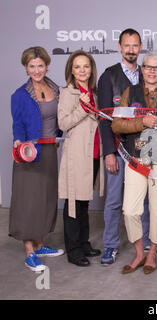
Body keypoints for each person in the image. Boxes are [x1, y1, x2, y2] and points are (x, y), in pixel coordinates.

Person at [97, 29, 157, 266]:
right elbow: (104, 116)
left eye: (135, 45)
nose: (131, 50)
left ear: (140, 47)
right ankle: (110, 245)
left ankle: (149, 242)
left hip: (143, 148)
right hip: (118, 149)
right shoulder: (108, 76)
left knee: (146, 199)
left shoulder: (146, 74)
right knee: (115, 201)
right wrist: (108, 151)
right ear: (119, 46)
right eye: (126, 45)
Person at [112, 51, 157, 274]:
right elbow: (116, 125)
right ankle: (139, 253)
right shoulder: (129, 92)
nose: (152, 71)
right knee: (130, 211)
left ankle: (152, 253)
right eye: (148, 67)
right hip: (136, 159)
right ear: (142, 69)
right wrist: (141, 122)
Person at [9, 46, 64, 272]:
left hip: (51, 152)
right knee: (28, 202)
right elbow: (18, 125)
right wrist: (18, 141)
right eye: (32, 66)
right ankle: (30, 252)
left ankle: (41, 245)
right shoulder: (20, 95)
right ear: (26, 68)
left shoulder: (56, 89)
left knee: (46, 198)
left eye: (40, 65)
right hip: (30, 153)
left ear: (47, 65)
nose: (36, 70)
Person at [58, 50, 104, 267]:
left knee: (85, 202)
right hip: (77, 155)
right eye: (77, 67)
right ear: (71, 70)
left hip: (93, 153)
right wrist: (82, 108)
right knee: (73, 202)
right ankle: (73, 250)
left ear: (91, 69)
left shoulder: (94, 93)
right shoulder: (68, 93)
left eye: (86, 66)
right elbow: (63, 123)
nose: (82, 70)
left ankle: (84, 243)